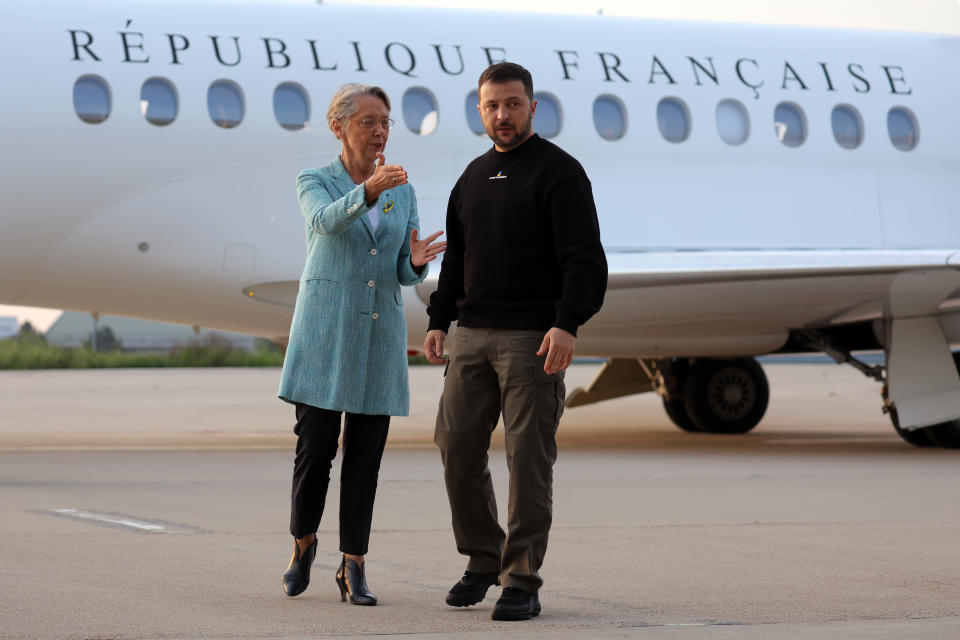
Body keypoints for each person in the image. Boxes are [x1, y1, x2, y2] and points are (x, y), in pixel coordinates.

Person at [423, 62, 608, 621]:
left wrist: (567, 323)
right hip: (472, 335)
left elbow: (585, 259)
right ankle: (483, 559)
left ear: (532, 106)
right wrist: (439, 318)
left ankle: (521, 579)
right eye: (491, 106)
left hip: (533, 339)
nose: (502, 115)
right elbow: (458, 258)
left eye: (512, 104)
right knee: (455, 446)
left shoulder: (560, 173)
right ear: (480, 111)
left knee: (528, 460)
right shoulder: (472, 177)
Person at [278, 83, 445, 605]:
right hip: (325, 336)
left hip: (378, 338)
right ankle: (303, 544)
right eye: (369, 121)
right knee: (315, 454)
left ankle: (354, 566)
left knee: (365, 461)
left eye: (386, 122)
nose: (380, 131)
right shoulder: (315, 181)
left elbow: (398, 271)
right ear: (339, 127)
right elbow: (324, 224)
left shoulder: (404, 190)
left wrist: (416, 260)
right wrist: (369, 191)